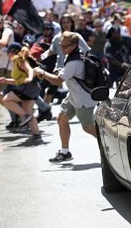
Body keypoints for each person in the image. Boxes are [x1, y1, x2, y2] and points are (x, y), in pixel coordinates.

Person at [33, 31, 97, 163]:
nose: (62, 48)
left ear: (74, 45)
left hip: (82, 100)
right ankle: (65, 152)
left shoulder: (75, 62)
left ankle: (109, 143)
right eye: (61, 45)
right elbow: (63, 73)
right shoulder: (71, 55)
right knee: (62, 119)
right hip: (73, 96)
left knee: (89, 128)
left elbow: (57, 81)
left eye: (65, 46)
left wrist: (42, 72)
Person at [0, 43, 40, 136]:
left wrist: (30, 78)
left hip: (28, 87)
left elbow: (30, 70)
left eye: (8, 51)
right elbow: (18, 81)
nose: (7, 53)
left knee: (6, 100)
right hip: (31, 88)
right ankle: (36, 135)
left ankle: (24, 116)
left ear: (14, 52)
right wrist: (6, 80)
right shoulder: (16, 62)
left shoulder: (19, 60)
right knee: (29, 114)